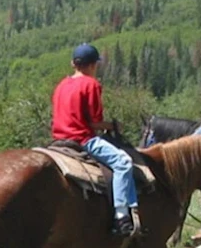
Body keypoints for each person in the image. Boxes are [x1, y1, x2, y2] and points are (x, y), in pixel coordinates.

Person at [51, 43, 140, 236]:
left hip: (58, 139)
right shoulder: (91, 84)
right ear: (93, 65)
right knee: (123, 162)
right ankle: (122, 216)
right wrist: (113, 126)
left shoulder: (61, 85)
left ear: (73, 64)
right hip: (82, 139)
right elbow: (94, 122)